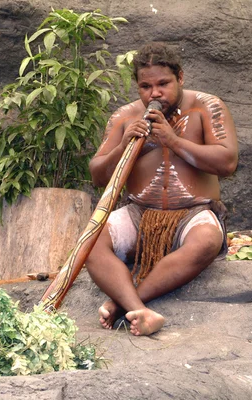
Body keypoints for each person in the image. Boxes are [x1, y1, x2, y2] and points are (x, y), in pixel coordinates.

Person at [85, 42, 238, 336]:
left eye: (163, 84)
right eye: (145, 86)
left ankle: (125, 303)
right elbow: (98, 176)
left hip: (194, 213)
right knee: (91, 239)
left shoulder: (207, 107)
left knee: (206, 241)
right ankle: (139, 311)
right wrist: (122, 147)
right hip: (138, 213)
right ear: (137, 87)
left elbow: (228, 162)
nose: (154, 93)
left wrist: (173, 141)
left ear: (180, 77)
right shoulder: (124, 117)